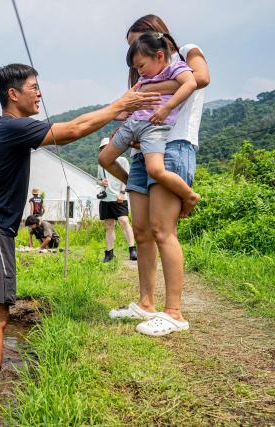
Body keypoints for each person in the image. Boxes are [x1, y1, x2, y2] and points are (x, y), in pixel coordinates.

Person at [0, 63, 160, 380]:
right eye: (34, 87)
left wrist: (112, 111)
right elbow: (73, 129)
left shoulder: (1, 128)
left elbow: (77, 125)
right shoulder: (12, 127)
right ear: (13, 93)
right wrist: (122, 105)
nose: (40, 94)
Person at [108, 15, 210, 336]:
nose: (135, 52)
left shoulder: (186, 54)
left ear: (158, 37)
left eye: (139, 43)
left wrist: (151, 87)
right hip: (143, 152)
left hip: (175, 143)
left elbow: (200, 78)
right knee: (141, 231)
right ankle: (146, 303)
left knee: (163, 230)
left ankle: (174, 312)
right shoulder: (143, 73)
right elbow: (135, 108)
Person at [99, 31, 200, 217]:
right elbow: (126, 105)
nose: (139, 71)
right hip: (132, 124)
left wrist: (167, 108)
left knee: (155, 169)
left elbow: (191, 83)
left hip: (154, 128)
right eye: (136, 68)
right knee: (104, 159)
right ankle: (132, 183)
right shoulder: (143, 80)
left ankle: (190, 195)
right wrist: (116, 114)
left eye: (141, 65)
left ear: (159, 56)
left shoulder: (175, 69)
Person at [97, 138, 137, 262]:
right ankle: (109, 253)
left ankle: (132, 250)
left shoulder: (122, 160)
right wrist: (101, 182)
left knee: (124, 221)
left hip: (119, 197)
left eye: (106, 147)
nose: (104, 149)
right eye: (102, 148)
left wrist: (122, 192)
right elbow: (98, 180)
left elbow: (127, 177)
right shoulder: (101, 164)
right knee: (109, 226)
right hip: (106, 199)